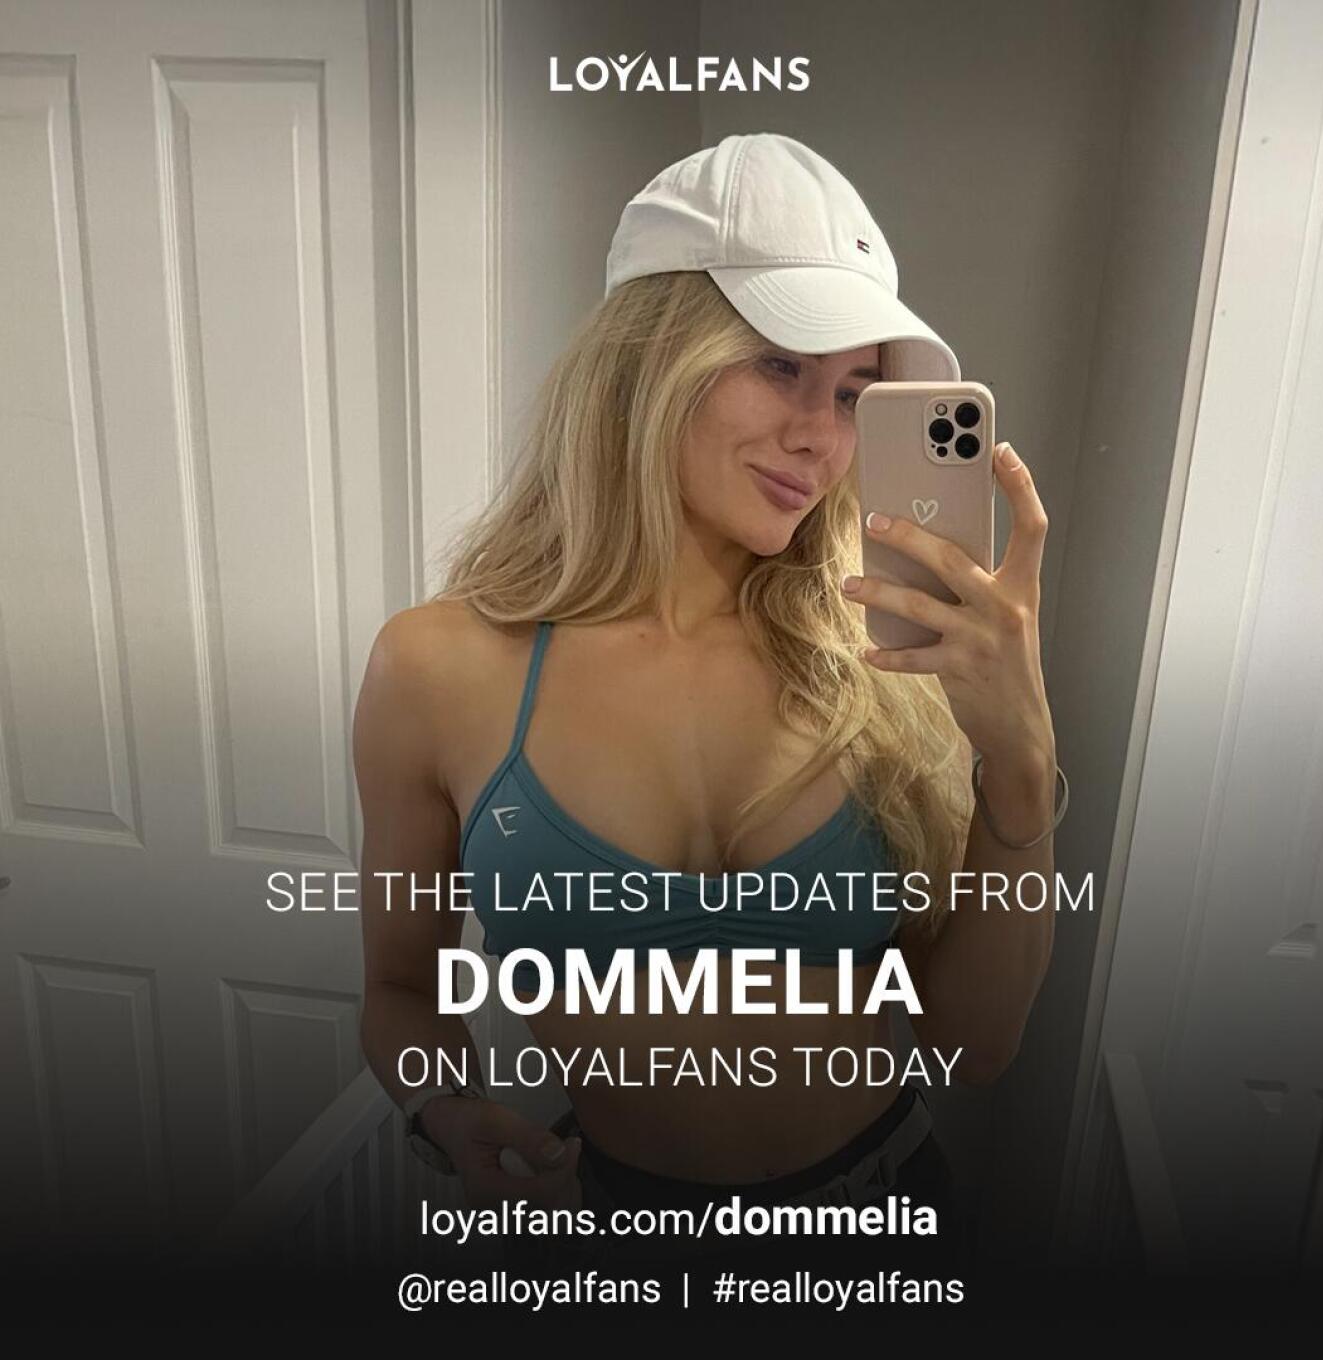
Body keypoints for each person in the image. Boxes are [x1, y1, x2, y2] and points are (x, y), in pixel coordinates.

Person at [353, 133, 1062, 1300]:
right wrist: (442, 1104)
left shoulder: (883, 652)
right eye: (780, 365)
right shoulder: (436, 669)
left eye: (853, 393)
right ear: (647, 356)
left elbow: (974, 1046)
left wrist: (1021, 760)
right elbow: (398, 990)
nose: (821, 437)